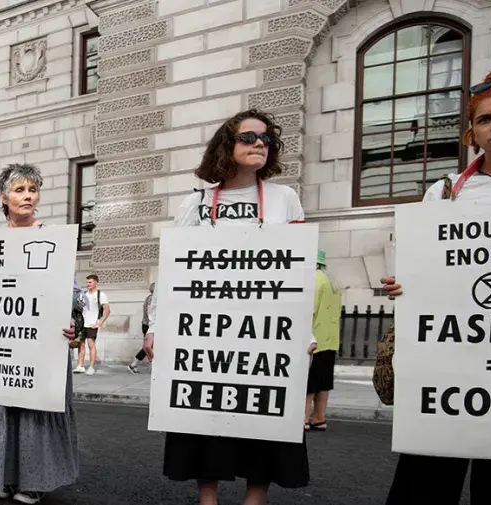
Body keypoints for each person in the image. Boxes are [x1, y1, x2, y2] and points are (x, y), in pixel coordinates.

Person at [147, 109, 309, 505]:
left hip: (266, 332)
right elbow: (172, 271)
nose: (259, 145)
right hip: (206, 332)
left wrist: (306, 331)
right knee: (206, 417)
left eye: (266, 140)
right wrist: (155, 325)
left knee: (263, 417)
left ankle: (255, 499)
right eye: (249, 138)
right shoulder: (196, 203)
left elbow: (298, 269)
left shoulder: (285, 198)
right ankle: (208, 498)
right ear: (227, 145)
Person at [378, 68, 491, 505]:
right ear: (472, 132)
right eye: (486, 119)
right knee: (428, 475)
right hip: (449, 358)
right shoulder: (446, 192)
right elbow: (415, 262)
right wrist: (401, 284)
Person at [0, 164, 80, 504]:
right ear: (4, 197)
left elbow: (72, 293)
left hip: (40, 344)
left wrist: (73, 323)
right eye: (19, 190)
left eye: (32, 190)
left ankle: (32, 482)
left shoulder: (54, 238)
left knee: (34, 407)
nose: (27, 196)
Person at [305, 250, 340, 432]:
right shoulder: (332, 280)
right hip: (330, 339)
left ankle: (302, 419)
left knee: (309, 383)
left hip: (315, 338)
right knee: (323, 383)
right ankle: (319, 418)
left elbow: (309, 309)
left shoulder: (314, 279)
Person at [72, 275, 108, 375]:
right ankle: (80, 365)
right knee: (81, 344)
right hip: (82, 323)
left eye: (90, 282)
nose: (88, 284)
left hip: (92, 323)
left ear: (96, 282)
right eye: (87, 282)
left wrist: (99, 323)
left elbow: (107, 310)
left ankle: (91, 367)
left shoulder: (101, 294)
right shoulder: (83, 294)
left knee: (91, 344)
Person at [129, 283, 156, 374]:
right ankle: (153, 366)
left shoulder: (149, 298)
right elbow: (150, 313)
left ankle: (134, 364)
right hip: (150, 325)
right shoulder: (152, 299)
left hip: (147, 324)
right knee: (148, 347)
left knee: (147, 347)